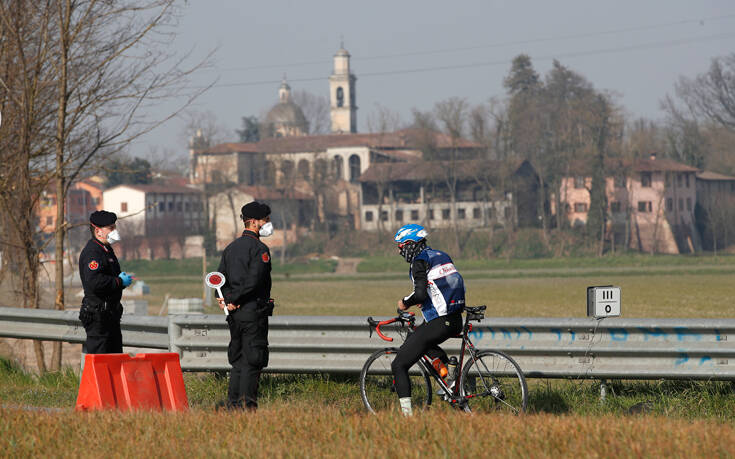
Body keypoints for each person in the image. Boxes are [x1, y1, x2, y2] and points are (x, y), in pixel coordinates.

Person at [390, 223, 465, 416]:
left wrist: (405, 302)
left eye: (401, 246)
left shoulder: (419, 262)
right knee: (422, 338)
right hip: (455, 318)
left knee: (399, 365)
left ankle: (407, 417)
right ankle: (450, 377)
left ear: (410, 244)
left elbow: (421, 294)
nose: (400, 251)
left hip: (440, 321)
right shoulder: (441, 255)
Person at [216, 201, 275, 411]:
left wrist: (226, 299)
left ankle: (233, 406)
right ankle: (248, 407)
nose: (268, 224)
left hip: (234, 315)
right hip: (252, 312)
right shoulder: (260, 249)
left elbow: (218, 279)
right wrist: (234, 300)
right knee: (253, 359)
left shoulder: (230, 248)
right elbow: (253, 281)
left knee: (238, 360)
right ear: (255, 222)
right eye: (266, 220)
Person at [78, 210, 133, 354]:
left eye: (114, 227)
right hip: (98, 316)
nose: (115, 231)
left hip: (110, 315)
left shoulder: (106, 250)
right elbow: (94, 282)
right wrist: (118, 281)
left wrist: (120, 280)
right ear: (98, 231)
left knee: (114, 360)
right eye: (111, 228)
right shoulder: (93, 252)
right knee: (101, 361)